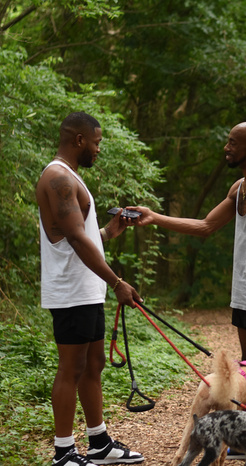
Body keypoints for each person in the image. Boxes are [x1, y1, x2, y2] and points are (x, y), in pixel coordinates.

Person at [129, 121, 246, 461]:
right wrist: (154, 217)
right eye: (228, 141)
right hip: (242, 295)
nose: (227, 147)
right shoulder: (240, 187)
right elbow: (205, 226)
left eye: (233, 142)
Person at [36, 111, 145, 466]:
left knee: (94, 363)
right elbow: (75, 240)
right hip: (70, 291)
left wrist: (111, 231)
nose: (98, 150)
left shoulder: (70, 177)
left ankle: (98, 443)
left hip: (87, 288)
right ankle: (63, 452)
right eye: (96, 143)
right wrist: (117, 282)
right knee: (71, 368)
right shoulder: (57, 178)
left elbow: (82, 238)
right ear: (79, 140)